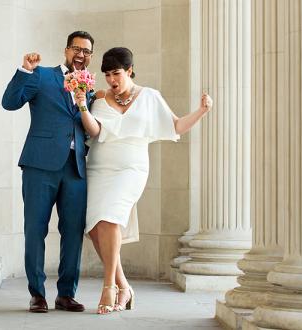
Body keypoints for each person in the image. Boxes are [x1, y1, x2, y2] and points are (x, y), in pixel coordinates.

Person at [74, 47, 213, 314]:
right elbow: (95, 130)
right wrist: (82, 106)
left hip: (131, 168)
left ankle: (109, 288)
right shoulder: (100, 97)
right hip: (100, 167)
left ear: (129, 71)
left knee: (110, 217)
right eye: (107, 75)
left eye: (116, 73)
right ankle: (124, 286)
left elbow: (175, 126)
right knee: (93, 228)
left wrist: (202, 111)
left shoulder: (150, 97)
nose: (112, 80)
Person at [1, 31, 95, 313]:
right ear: (66, 50)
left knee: (73, 232)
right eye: (76, 49)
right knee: (35, 229)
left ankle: (66, 294)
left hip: (75, 167)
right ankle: (37, 294)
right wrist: (24, 71)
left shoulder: (89, 88)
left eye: (87, 51)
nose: (81, 54)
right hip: (39, 165)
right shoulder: (42, 76)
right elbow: (10, 102)